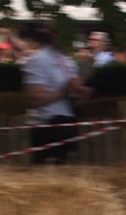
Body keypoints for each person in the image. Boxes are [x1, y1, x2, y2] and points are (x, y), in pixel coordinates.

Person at [19, 21, 91, 162]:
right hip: (46, 124)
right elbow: (35, 99)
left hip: (67, 122)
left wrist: (81, 92)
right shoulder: (38, 60)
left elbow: (75, 96)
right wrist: (65, 91)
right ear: (53, 36)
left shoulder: (69, 61)